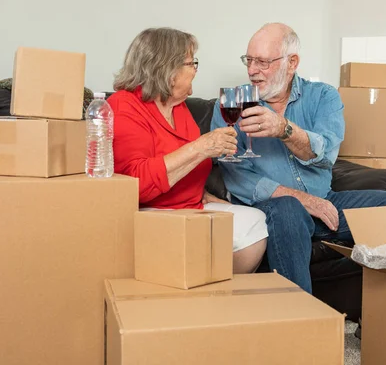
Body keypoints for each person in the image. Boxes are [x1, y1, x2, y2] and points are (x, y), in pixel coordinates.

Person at [210, 23, 386, 293]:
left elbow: (326, 153)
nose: (251, 70)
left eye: (262, 62)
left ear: (292, 62)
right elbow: (235, 173)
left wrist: (284, 129)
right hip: (271, 210)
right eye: (249, 60)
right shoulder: (232, 103)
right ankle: (303, 323)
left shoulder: (323, 97)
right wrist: (301, 199)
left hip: (325, 204)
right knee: (289, 208)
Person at [108, 27, 268, 274]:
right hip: (151, 214)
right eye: (191, 63)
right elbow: (136, 182)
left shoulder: (178, 107)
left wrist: (199, 192)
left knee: (254, 221)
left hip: (189, 208)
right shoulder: (124, 105)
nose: (195, 70)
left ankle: (219, 292)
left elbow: (185, 166)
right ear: (166, 68)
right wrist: (201, 147)